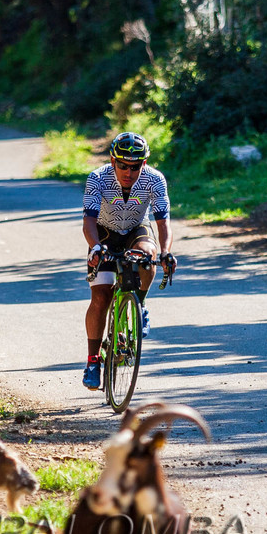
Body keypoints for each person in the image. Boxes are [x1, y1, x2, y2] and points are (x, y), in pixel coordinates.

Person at [81, 131, 175, 390]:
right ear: (113, 161)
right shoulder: (97, 178)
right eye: (122, 165)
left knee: (148, 254)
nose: (128, 171)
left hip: (136, 229)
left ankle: (139, 305)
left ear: (143, 164)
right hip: (105, 233)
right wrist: (96, 247)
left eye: (135, 166)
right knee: (101, 296)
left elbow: (162, 222)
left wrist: (165, 251)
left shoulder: (155, 180)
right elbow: (88, 221)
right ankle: (92, 361)